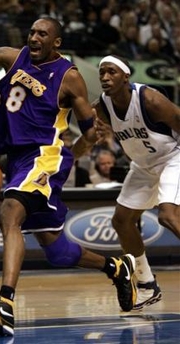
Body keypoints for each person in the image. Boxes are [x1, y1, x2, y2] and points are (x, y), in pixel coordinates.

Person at [0, 18, 137, 337]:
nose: (34, 37)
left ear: (56, 42)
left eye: (42, 34)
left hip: (44, 156)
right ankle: (117, 268)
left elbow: (90, 135)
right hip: (17, 160)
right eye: (32, 32)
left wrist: (65, 160)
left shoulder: (70, 77)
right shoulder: (12, 56)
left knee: (9, 214)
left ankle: (4, 305)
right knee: (58, 252)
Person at [92, 54, 180, 311]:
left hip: (172, 157)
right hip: (143, 166)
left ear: (126, 76)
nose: (105, 78)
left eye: (112, 72)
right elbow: (83, 125)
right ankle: (147, 284)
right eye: (102, 73)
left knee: (168, 216)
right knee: (121, 220)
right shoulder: (102, 107)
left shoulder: (150, 100)